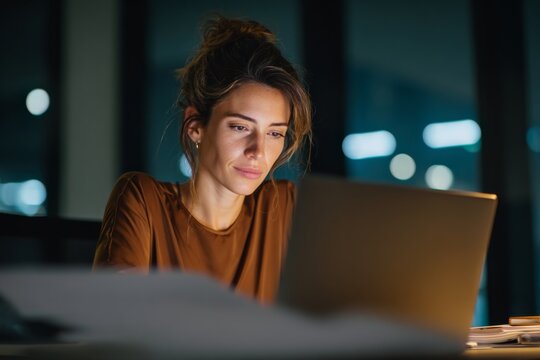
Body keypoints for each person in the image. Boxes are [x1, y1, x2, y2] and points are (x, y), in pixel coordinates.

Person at [92, 16, 312, 305]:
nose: (258, 151)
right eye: (240, 127)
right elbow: (116, 320)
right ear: (196, 126)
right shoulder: (143, 200)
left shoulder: (284, 206)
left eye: (274, 133)